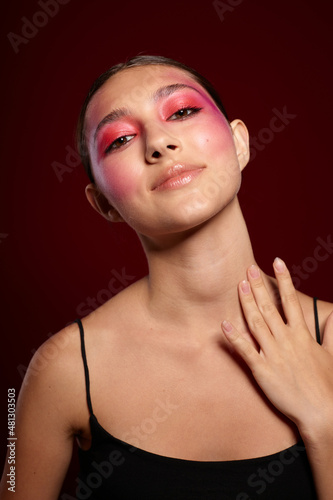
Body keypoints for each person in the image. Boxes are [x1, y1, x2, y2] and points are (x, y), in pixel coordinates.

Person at [0, 55, 332, 500]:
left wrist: (326, 422)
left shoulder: (330, 339)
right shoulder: (61, 369)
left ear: (239, 143)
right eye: (120, 140)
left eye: (181, 111)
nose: (158, 142)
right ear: (104, 204)